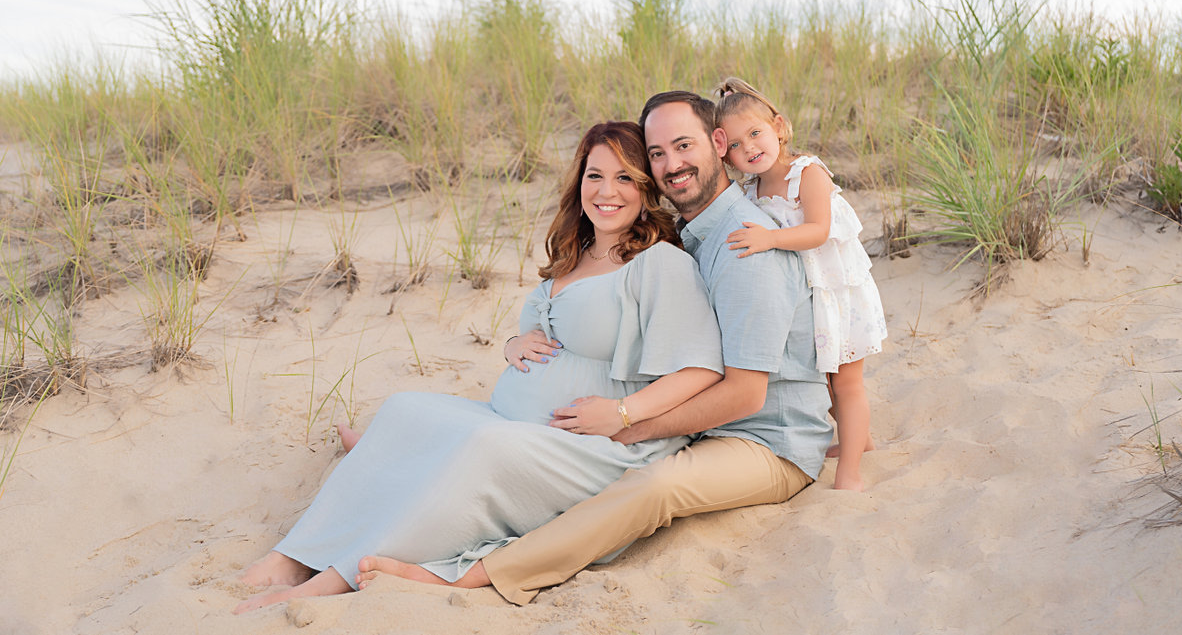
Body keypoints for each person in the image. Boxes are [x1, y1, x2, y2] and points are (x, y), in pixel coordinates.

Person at [234, 121, 724, 613]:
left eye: (624, 178)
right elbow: (543, 325)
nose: (606, 191)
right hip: (515, 418)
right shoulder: (578, 249)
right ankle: (295, 556)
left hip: (601, 447)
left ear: (645, 188)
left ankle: (340, 573)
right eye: (595, 175)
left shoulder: (659, 264)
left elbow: (701, 370)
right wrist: (514, 344)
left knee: (481, 445)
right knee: (406, 410)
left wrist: (621, 412)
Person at [364, 90, 832, 603]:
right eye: (657, 154)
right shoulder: (692, 232)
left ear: (719, 144)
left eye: (683, 146)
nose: (671, 164)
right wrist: (519, 345)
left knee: (653, 487)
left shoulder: (746, 247)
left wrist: (629, 424)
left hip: (765, 442)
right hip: (700, 423)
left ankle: (479, 573)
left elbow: (745, 396)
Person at [714, 76, 888, 491]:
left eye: (755, 133)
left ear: (779, 126)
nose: (749, 148)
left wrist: (771, 239)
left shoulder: (806, 173)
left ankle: (850, 471)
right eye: (735, 145)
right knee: (823, 382)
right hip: (806, 297)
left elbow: (818, 230)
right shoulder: (751, 189)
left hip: (837, 292)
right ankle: (858, 440)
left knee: (846, 382)